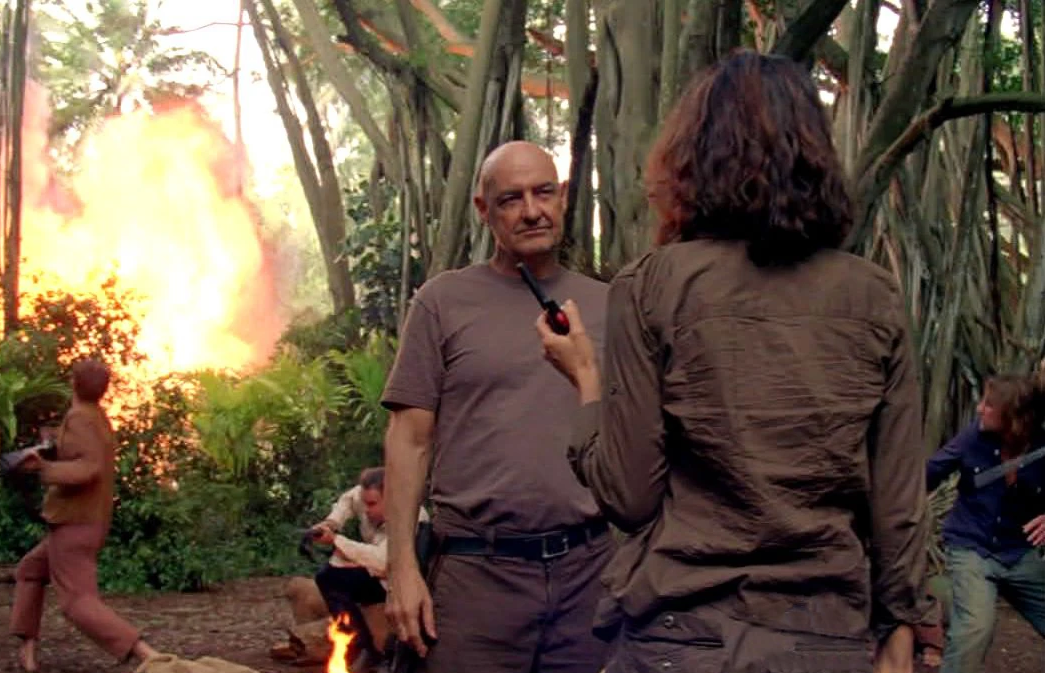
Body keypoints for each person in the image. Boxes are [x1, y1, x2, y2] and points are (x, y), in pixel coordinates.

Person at [536, 51, 936, 673]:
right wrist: (902, 622)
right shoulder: (874, 295)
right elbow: (899, 499)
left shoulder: (653, 284)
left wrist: (587, 381)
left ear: (691, 159)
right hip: (823, 634)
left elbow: (630, 497)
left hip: (682, 634)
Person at [381, 140, 615, 672]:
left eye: (544, 193)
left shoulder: (609, 305)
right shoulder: (442, 302)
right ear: (483, 210)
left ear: (564, 197)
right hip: (476, 575)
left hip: (589, 572)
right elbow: (409, 441)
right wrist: (402, 569)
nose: (532, 211)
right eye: (511, 199)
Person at [9, 359, 159, 671]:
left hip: (75, 523)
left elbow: (88, 467)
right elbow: (85, 454)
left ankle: (148, 655)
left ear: (73, 384)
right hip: (86, 521)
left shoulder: (80, 417)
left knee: (77, 602)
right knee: (30, 571)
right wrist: (53, 446)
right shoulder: (96, 416)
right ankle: (27, 654)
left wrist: (44, 468)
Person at [926, 374, 1045, 673]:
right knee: (974, 630)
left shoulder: (1041, 446)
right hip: (971, 546)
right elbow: (928, 474)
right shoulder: (973, 438)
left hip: (1020, 553)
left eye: (989, 405)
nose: (979, 408)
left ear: (1014, 417)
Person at [310, 466, 426, 670]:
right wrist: (332, 522)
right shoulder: (365, 496)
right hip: (376, 568)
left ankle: (383, 655)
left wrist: (336, 540)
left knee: (335, 576)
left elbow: (383, 561)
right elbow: (349, 499)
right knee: (327, 576)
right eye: (365, 503)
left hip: (398, 580)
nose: (366, 509)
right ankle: (359, 643)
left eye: (372, 504)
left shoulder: (412, 517)